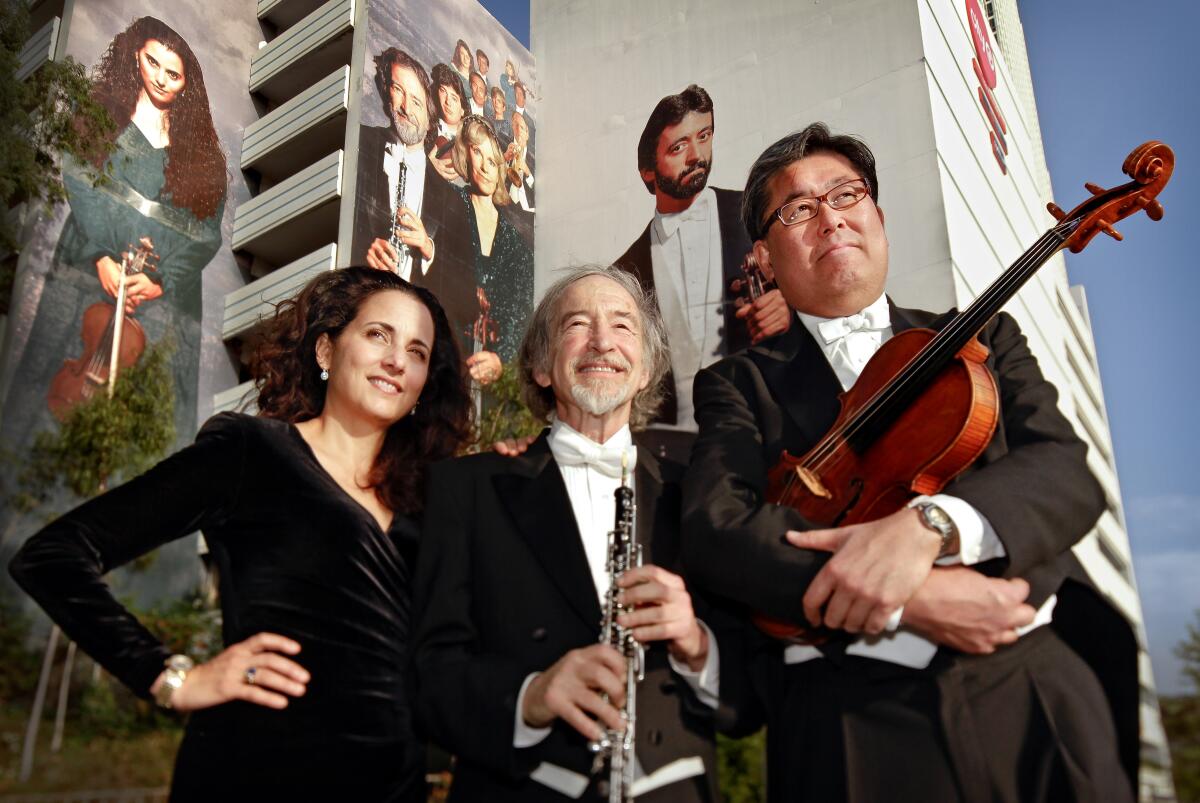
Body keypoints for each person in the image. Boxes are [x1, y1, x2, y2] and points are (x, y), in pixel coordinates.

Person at [681, 123, 1138, 802]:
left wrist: (931, 524)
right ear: (766, 258)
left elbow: (1064, 472)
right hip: (848, 717)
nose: (830, 217)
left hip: (1033, 690)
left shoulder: (983, 339)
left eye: (846, 195)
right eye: (799, 209)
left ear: (878, 218)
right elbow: (719, 529)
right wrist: (909, 598)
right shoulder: (736, 384)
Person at [10, 266, 474, 801]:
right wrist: (170, 677)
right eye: (378, 335)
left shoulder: (430, 506)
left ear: (422, 385)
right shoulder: (252, 452)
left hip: (393, 785)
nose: (397, 360)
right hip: (254, 773)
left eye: (417, 352)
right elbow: (52, 556)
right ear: (326, 351)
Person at [411, 267, 759, 802]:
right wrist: (530, 697)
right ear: (541, 366)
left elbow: (752, 695)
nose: (602, 342)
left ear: (645, 370)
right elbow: (428, 676)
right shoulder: (464, 490)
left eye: (623, 327)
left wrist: (695, 644)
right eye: (578, 324)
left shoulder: (697, 494)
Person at [0, 16, 225, 460]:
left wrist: (161, 279)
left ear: (188, 84)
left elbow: (206, 232)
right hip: (86, 260)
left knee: (149, 411)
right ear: (134, 55)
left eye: (173, 73)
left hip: (166, 294)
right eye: (152, 62)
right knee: (57, 377)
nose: (160, 78)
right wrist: (101, 254)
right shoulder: (101, 113)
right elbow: (80, 182)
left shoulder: (201, 155)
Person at [616, 84, 789, 462]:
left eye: (704, 136)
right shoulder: (623, 273)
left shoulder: (759, 217)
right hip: (667, 458)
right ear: (648, 172)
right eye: (678, 148)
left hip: (769, 441)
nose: (697, 155)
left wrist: (789, 307)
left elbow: (822, 295)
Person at [353, 48, 476, 372]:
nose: (406, 107)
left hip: (418, 357)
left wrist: (429, 247)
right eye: (397, 91)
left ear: (430, 111)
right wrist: (361, 254)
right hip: (357, 330)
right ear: (385, 93)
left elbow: (467, 300)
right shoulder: (357, 145)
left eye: (417, 101)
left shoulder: (453, 202)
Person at [451, 115, 533, 365]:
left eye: (492, 160)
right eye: (478, 154)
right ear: (465, 155)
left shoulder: (513, 235)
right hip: (449, 349)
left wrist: (501, 359)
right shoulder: (450, 202)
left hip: (495, 364)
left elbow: (522, 306)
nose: (487, 168)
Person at [428, 63, 468, 185]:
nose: (447, 102)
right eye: (443, 91)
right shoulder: (425, 128)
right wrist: (427, 164)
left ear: (463, 110)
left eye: (454, 98)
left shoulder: (468, 143)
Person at [506, 111, 535, 213]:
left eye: (522, 128)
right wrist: (505, 159)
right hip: (507, 205)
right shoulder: (505, 145)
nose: (518, 130)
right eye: (515, 125)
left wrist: (528, 172)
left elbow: (541, 194)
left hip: (527, 211)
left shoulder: (534, 160)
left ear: (527, 134)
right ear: (512, 127)